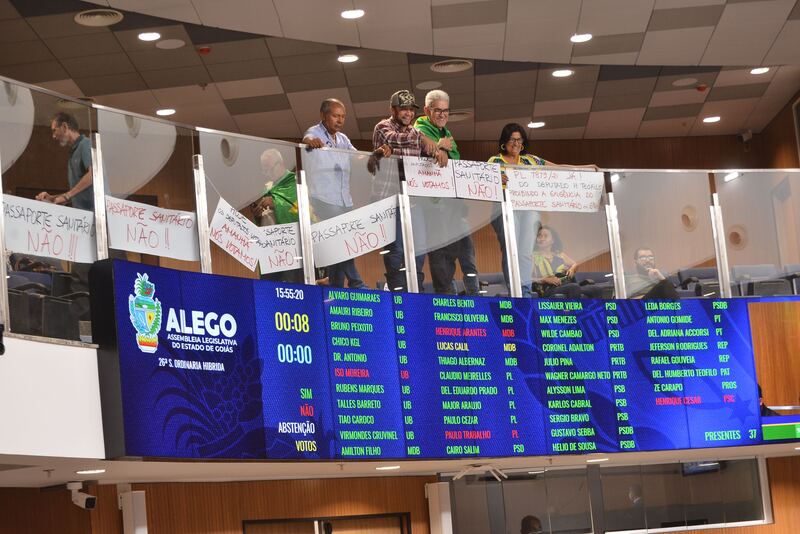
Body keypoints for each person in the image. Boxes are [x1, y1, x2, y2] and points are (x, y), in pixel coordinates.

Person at [489, 123, 595, 296]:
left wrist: (584, 168)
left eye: (519, 140)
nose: (516, 143)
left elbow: (556, 168)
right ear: (504, 142)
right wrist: (495, 179)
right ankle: (514, 290)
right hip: (506, 209)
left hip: (529, 208)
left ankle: (524, 292)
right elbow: (484, 183)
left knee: (525, 251)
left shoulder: (530, 160)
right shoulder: (495, 161)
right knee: (511, 250)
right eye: (512, 140)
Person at [372, 89, 446, 291]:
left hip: (413, 200)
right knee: (396, 249)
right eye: (403, 108)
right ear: (393, 109)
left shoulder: (416, 132)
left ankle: (415, 290)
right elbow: (394, 139)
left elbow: (430, 151)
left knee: (419, 248)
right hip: (389, 199)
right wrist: (423, 140)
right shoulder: (383, 127)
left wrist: (439, 152)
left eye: (411, 109)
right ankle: (397, 291)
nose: (408, 113)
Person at [414, 89, 479, 295]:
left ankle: (472, 293)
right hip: (433, 204)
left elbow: (455, 159)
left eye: (446, 111)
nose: (442, 114)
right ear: (427, 110)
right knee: (440, 252)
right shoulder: (419, 129)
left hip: (453, 203)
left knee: (462, 250)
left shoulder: (447, 133)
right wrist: (440, 147)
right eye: (437, 110)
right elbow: (425, 153)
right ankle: (445, 295)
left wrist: (443, 147)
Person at [302, 98, 365, 289]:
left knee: (342, 241)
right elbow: (306, 139)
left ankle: (335, 285)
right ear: (323, 115)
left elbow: (356, 155)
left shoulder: (343, 139)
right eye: (336, 116)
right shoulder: (315, 132)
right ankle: (356, 282)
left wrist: (372, 155)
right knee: (343, 239)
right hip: (323, 198)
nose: (340, 120)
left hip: (344, 200)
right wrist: (311, 142)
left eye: (343, 116)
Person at [250, 149, 303, 284]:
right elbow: (264, 223)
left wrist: (276, 204)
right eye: (264, 171)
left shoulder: (296, 183)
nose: (267, 174)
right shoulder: (268, 188)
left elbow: (303, 212)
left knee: (292, 288)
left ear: (280, 164)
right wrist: (258, 216)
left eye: (269, 169)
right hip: (271, 251)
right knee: (269, 288)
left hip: (291, 249)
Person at [36, 112, 93, 210]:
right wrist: (52, 198)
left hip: (95, 214)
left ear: (64, 127)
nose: (53, 136)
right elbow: (77, 192)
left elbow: (93, 175)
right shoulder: (73, 152)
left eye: (54, 130)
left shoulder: (86, 144)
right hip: (85, 214)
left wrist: (67, 196)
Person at [532, 224, 583, 298]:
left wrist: (572, 269)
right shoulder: (533, 257)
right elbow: (527, 279)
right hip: (547, 289)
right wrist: (545, 279)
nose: (542, 238)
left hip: (564, 284)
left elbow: (575, 264)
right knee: (574, 287)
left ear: (553, 240)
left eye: (545, 236)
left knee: (595, 289)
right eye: (539, 236)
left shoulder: (559, 254)